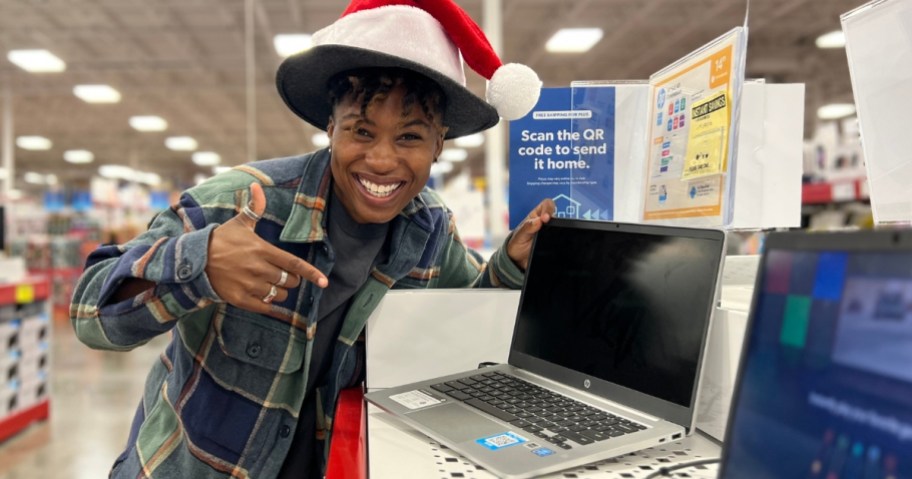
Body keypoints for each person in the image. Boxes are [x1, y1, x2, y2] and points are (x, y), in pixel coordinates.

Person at [70, 0, 554, 477]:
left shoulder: (428, 229)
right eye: (361, 131)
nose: (383, 160)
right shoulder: (244, 202)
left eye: (409, 137)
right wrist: (200, 266)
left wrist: (509, 263)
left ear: (438, 145)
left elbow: (463, 316)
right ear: (330, 129)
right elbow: (90, 313)